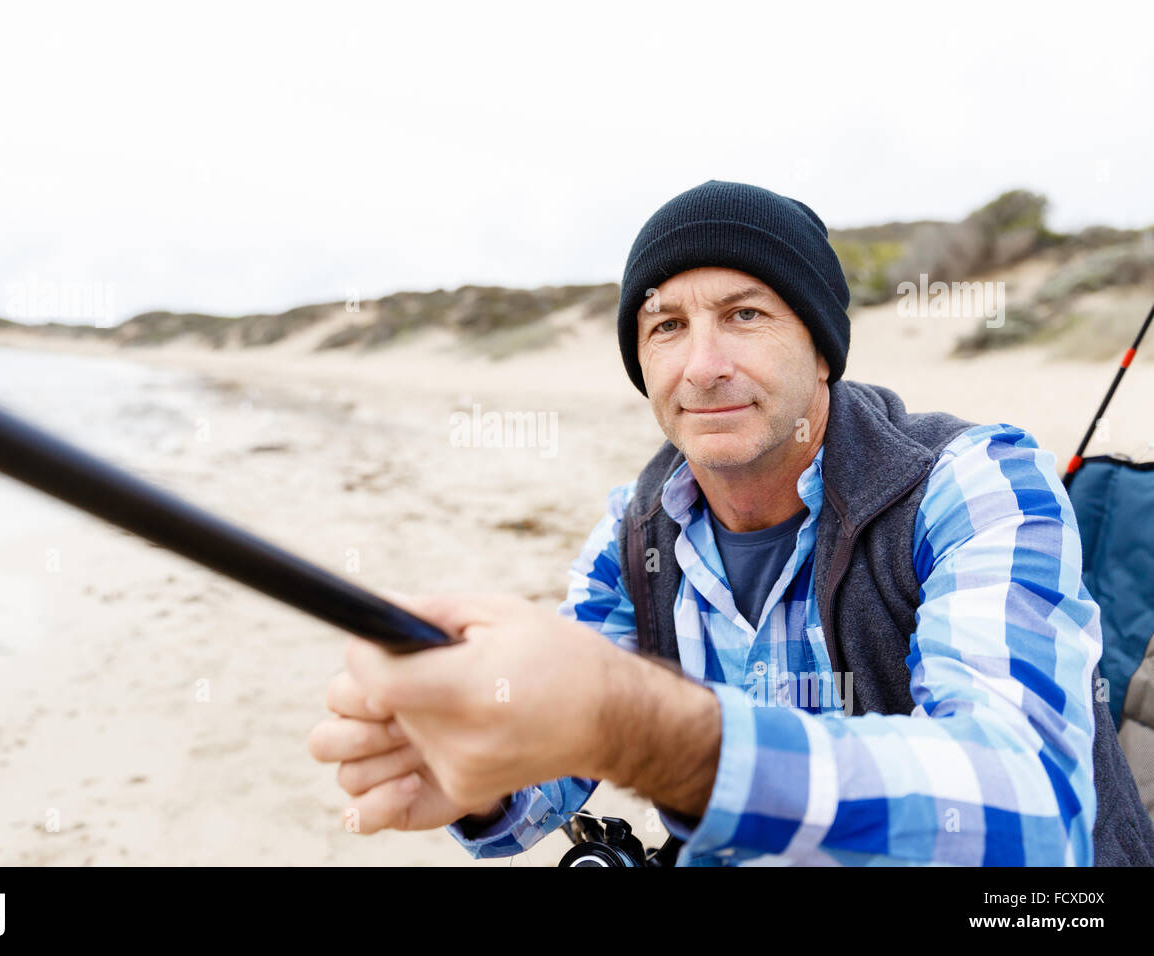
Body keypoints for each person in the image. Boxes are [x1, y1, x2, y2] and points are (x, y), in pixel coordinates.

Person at [307, 180, 1154, 865]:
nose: (704, 366)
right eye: (666, 326)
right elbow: (548, 781)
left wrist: (640, 728)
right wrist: (477, 767)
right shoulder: (633, 538)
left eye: (745, 315)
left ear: (821, 349)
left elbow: (1031, 814)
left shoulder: (973, 482)